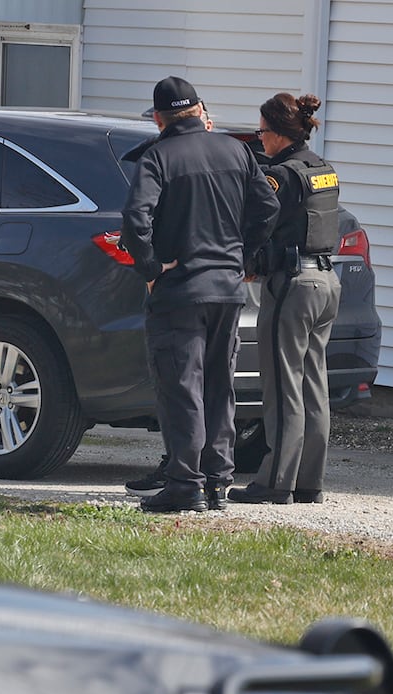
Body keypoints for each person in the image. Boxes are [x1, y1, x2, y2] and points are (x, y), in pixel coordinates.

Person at [121, 77, 279, 513]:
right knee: (218, 386)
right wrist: (244, 258)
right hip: (227, 290)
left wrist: (151, 267)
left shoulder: (157, 157)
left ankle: (185, 484)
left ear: (158, 118)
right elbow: (268, 208)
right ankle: (217, 482)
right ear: (199, 111)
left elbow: (135, 219)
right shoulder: (235, 150)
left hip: (181, 291)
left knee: (181, 387)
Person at [228, 93, 342, 505]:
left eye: (261, 132)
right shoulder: (322, 169)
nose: (259, 140)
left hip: (293, 286)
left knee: (282, 385)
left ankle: (276, 482)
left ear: (277, 133)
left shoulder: (282, 175)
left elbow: (259, 221)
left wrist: (247, 259)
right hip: (326, 283)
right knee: (314, 385)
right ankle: (308, 482)